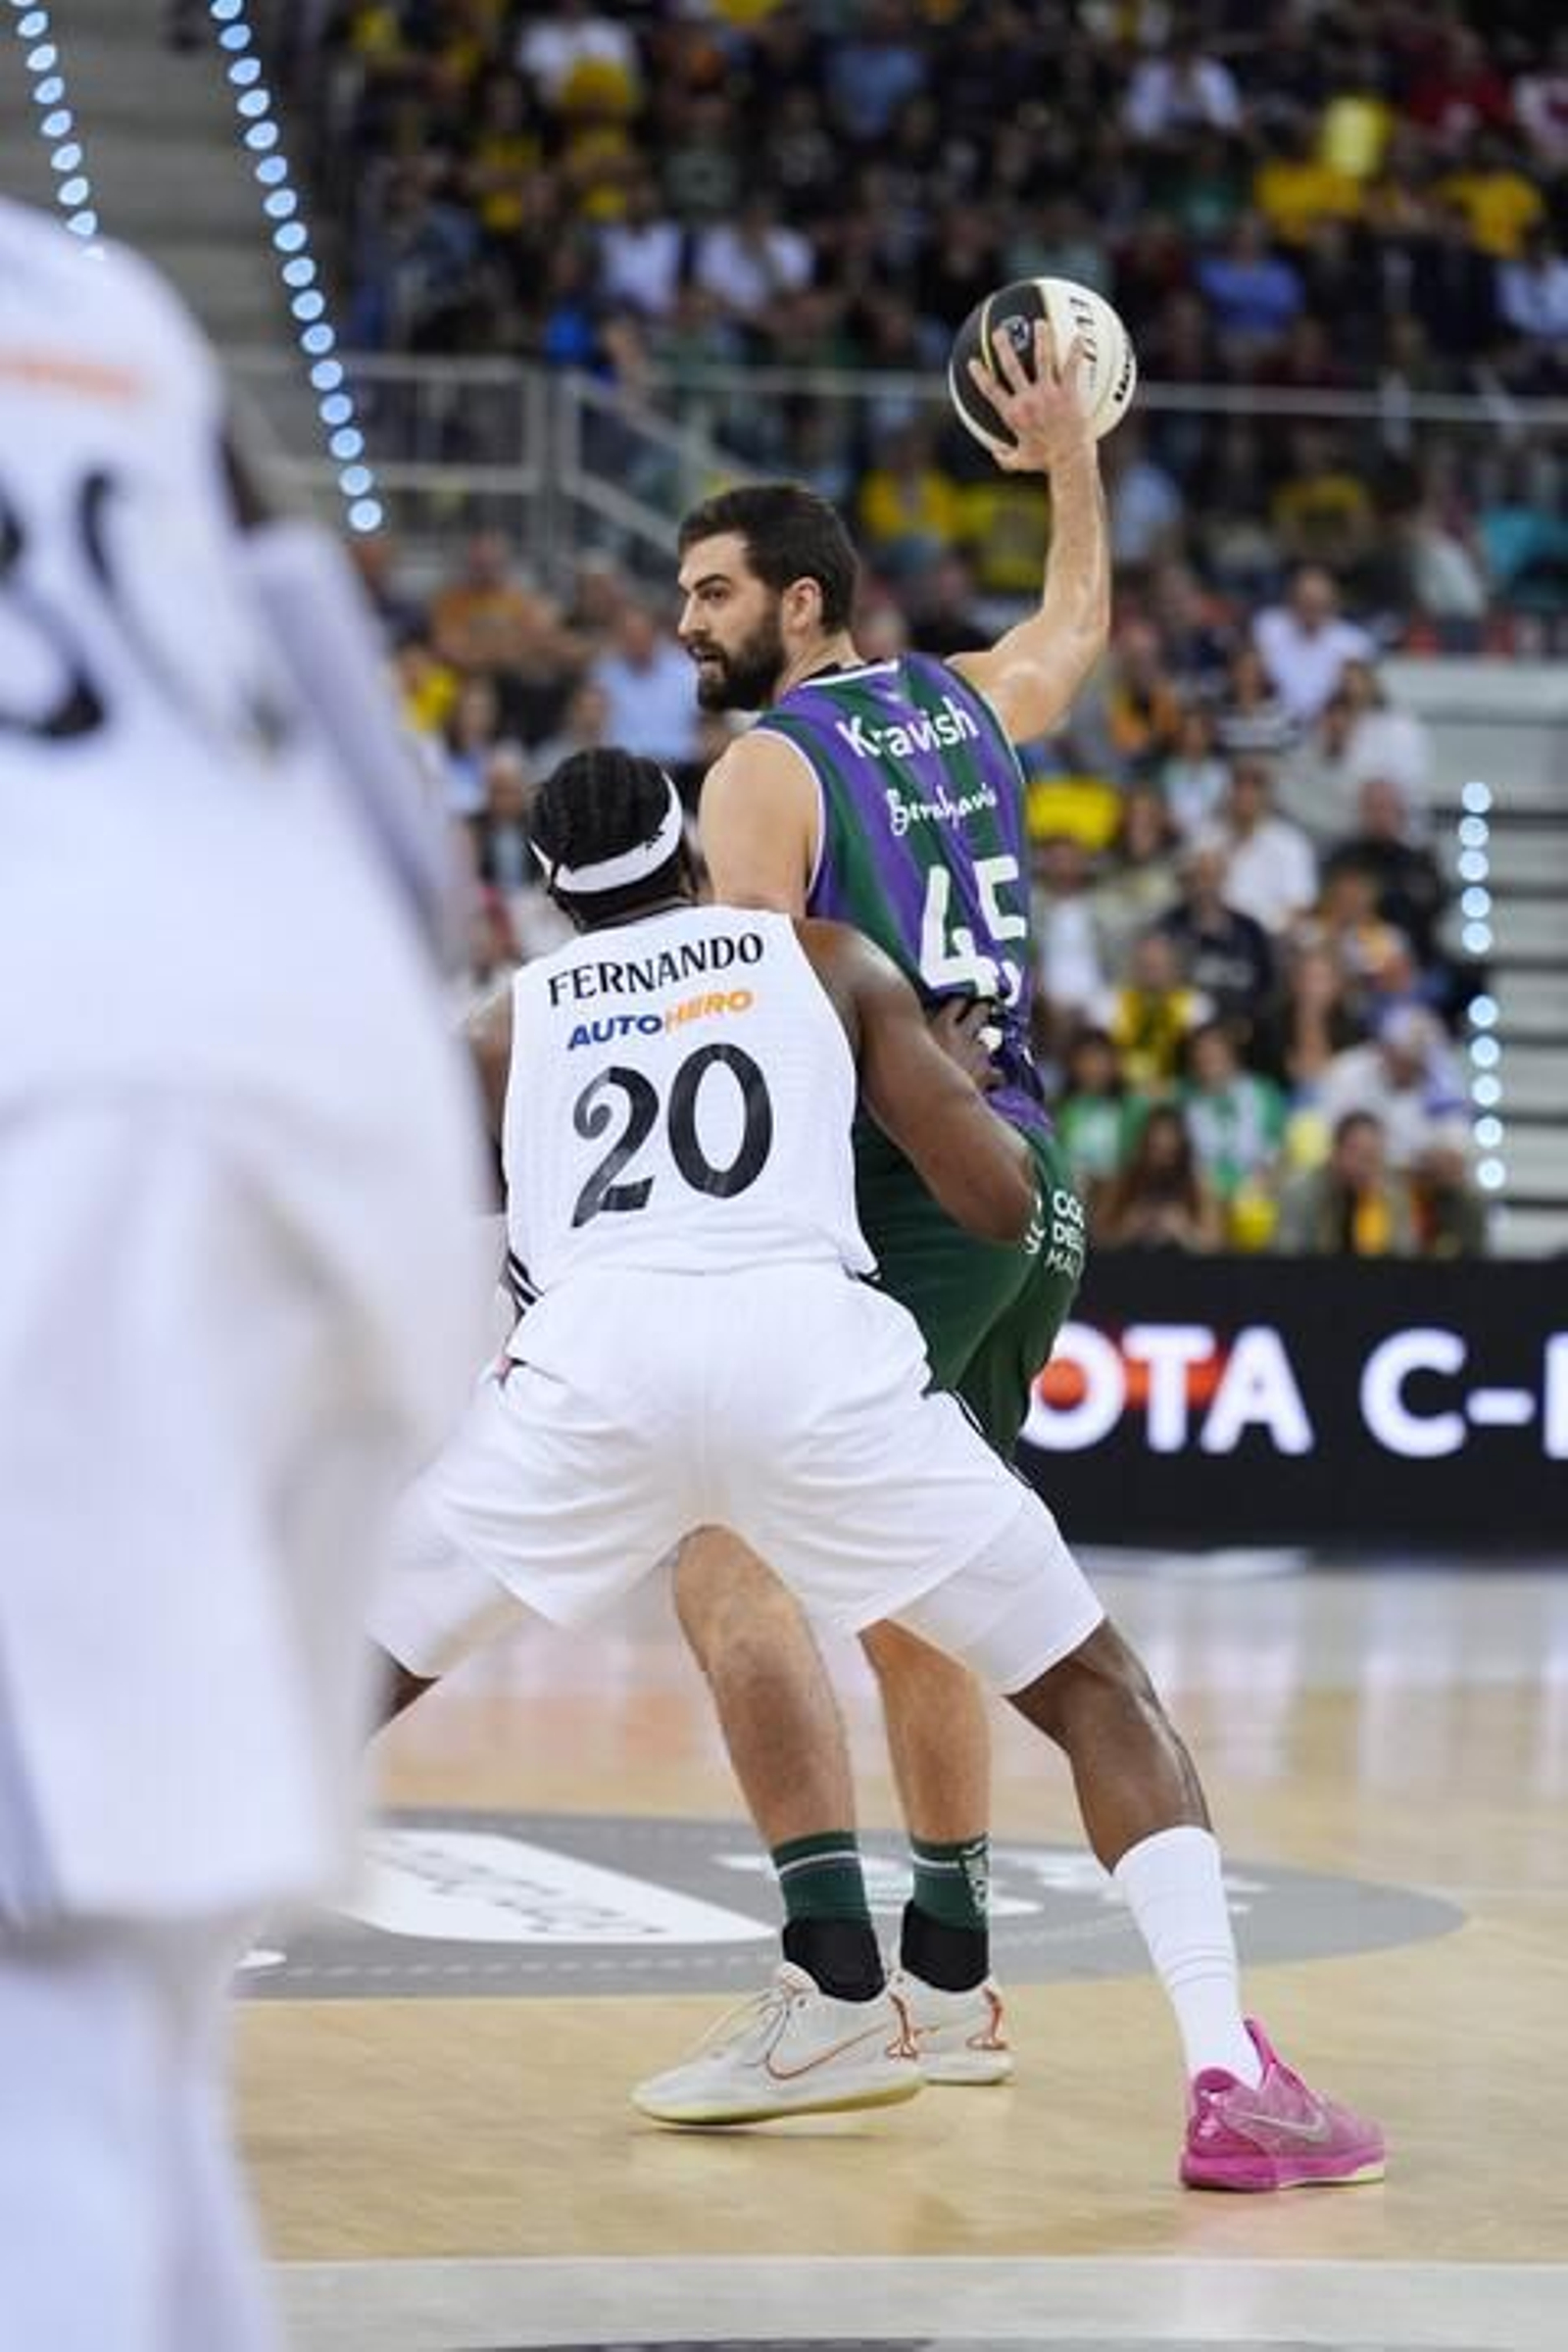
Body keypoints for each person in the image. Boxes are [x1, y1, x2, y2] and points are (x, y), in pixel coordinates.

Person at [371, 748, 1384, 2188]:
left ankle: (127, 2023)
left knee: (340, 1681)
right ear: (690, 855)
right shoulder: (827, 960)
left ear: (550, 894)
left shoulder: (503, 1026)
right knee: (1096, 1691)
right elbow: (994, 1202)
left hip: (593, 1376)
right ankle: (1230, 2077)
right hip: (813, 1361)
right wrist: (945, 1085)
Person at [0, 203, 484, 2352]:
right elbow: (397, 820)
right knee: (129, 2016)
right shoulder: (97, 300)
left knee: (33, 2035)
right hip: (341, 1079)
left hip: (70, 1118)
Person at [662, 321, 1108, 2103]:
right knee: (919, 1585)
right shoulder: (965, 700)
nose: (687, 624)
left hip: (906, 1196)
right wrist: (1071, 457)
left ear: (802, 601)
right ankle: (955, 1982)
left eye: (713, 593)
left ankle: (832, 1982)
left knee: (723, 1552)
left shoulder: (764, 770)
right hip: (1029, 1189)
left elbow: (760, 1023)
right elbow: (1075, 624)